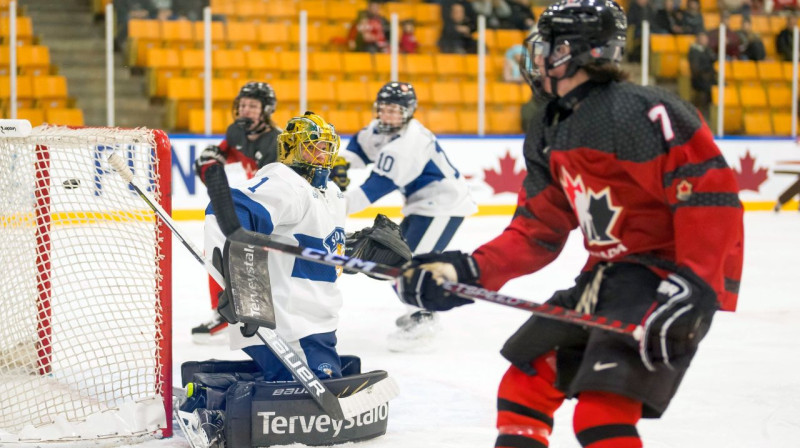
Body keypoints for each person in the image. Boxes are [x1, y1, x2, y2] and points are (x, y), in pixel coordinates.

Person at [398, 1, 744, 447]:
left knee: (601, 412)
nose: (536, 56)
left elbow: (711, 196)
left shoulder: (643, 111)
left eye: (544, 45)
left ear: (573, 51)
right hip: (606, 278)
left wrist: (696, 285)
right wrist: (465, 270)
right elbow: (537, 230)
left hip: (659, 281)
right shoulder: (547, 124)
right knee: (524, 386)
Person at [204, 111, 347, 381]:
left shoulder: (332, 193)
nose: (321, 155)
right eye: (312, 148)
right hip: (285, 324)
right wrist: (243, 291)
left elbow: (323, 248)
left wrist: (357, 248)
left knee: (322, 386)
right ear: (292, 150)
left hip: (319, 321)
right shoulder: (286, 183)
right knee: (307, 391)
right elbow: (228, 211)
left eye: (326, 148)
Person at [339, 81, 477, 352]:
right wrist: (338, 166)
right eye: (385, 109)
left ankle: (425, 319)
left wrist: (331, 205)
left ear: (409, 112)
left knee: (408, 264)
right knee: (399, 262)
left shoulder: (409, 143)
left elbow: (372, 190)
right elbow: (355, 152)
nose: (389, 115)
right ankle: (420, 311)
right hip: (420, 205)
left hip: (443, 205)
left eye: (396, 110)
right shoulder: (376, 130)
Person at [191, 81, 281, 343]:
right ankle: (225, 311)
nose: (245, 110)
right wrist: (210, 163)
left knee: (257, 259)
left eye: (252, 106)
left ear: (266, 110)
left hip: (277, 207)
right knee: (219, 250)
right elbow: (215, 159)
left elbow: (270, 184)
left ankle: (263, 313)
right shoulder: (237, 134)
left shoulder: (275, 142)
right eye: (242, 105)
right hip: (257, 204)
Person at [689, 31, 716, 120]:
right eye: (703, 38)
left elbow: (713, 59)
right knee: (708, 88)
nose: (705, 40)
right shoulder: (694, 51)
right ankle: (704, 112)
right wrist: (705, 75)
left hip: (709, 77)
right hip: (699, 79)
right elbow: (695, 68)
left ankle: (714, 113)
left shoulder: (707, 50)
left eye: (705, 38)